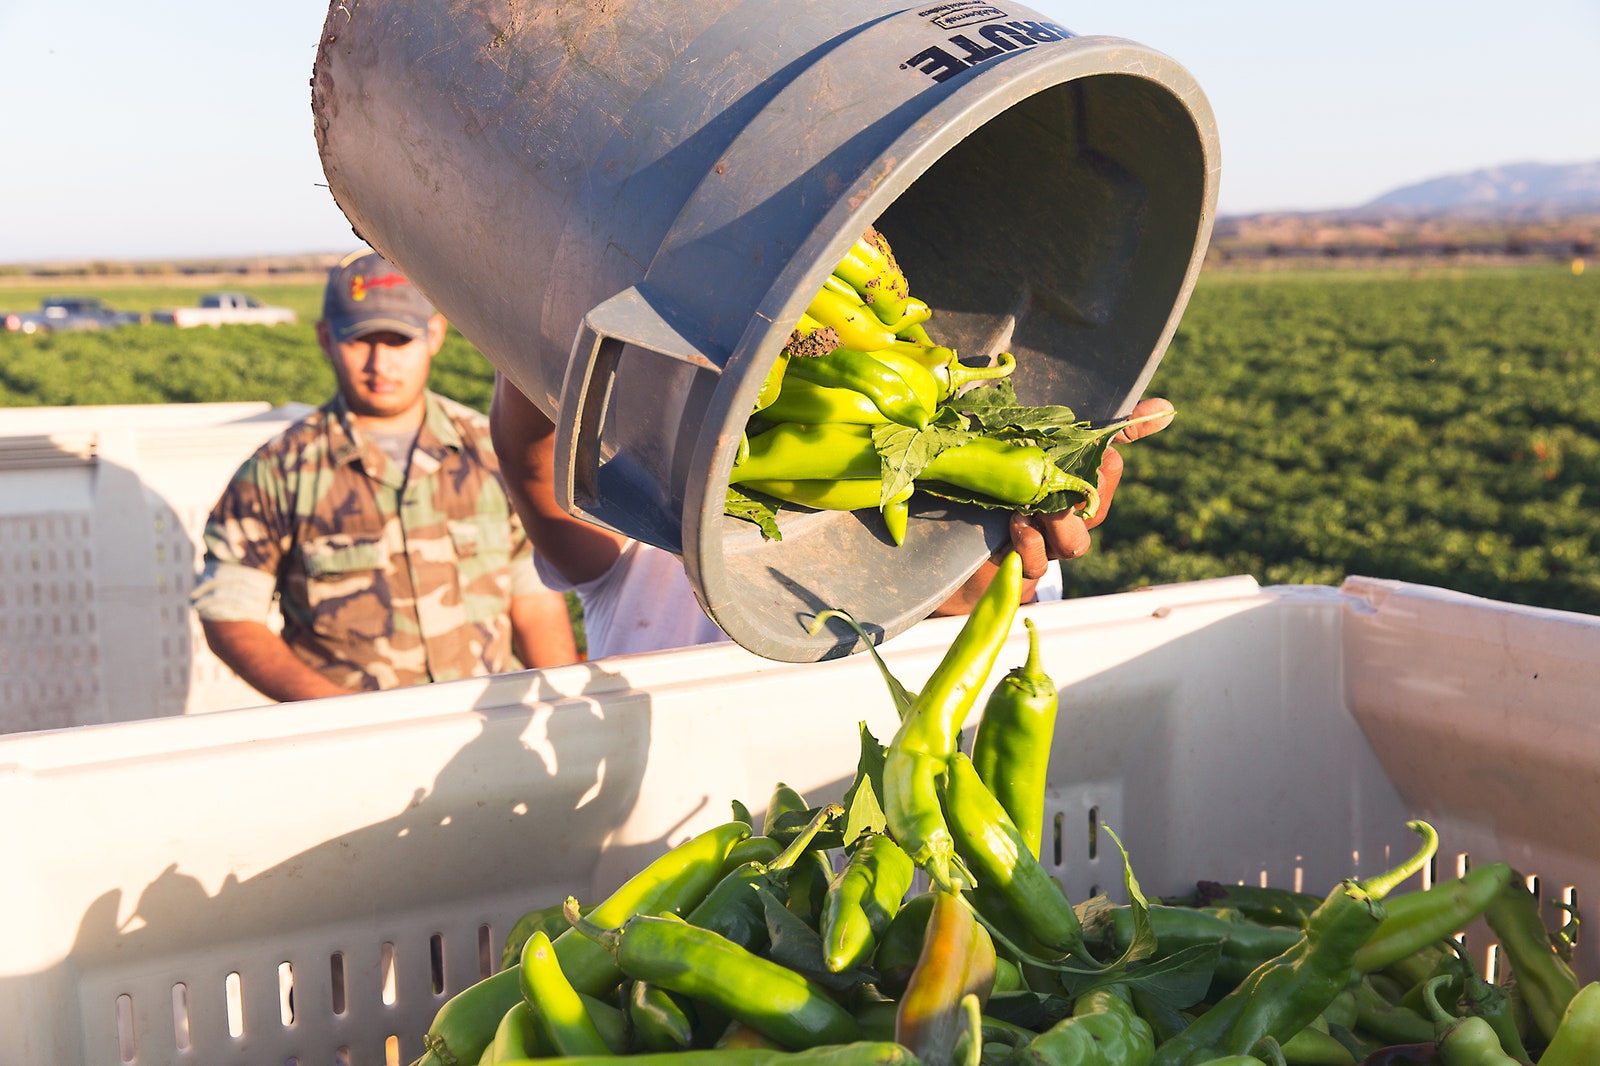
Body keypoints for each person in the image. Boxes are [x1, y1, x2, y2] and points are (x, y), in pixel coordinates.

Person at [489, 372, 1173, 661]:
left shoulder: (971, 504)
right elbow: (532, 454)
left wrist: (974, 580)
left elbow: (959, 652)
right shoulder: (636, 525)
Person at [190, 249, 580, 702]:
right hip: (356, 747)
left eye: (398, 341)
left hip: (486, 726)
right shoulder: (277, 473)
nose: (381, 364)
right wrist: (334, 715)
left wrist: (563, 704)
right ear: (324, 338)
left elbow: (533, 596)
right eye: (360, 341)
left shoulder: (492, 453)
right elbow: (230, 614)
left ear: (434, 334)